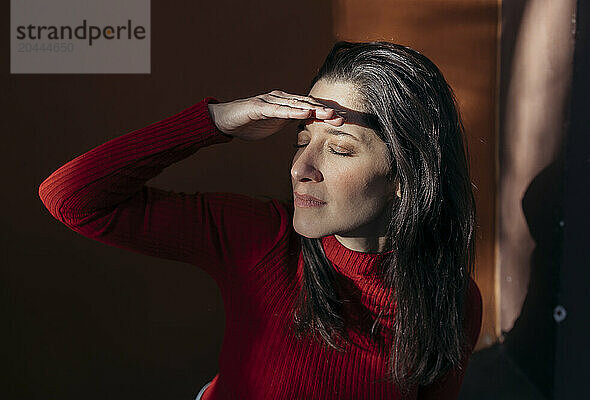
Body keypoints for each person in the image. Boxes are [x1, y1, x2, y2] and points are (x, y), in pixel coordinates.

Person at [38, 41, 482, 399]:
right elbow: (71, 198)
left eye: (340, 148)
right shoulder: (261, 240)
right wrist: (216, 120)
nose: (299, 168)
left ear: (406, 178)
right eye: (301, 140)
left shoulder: (450, 296)